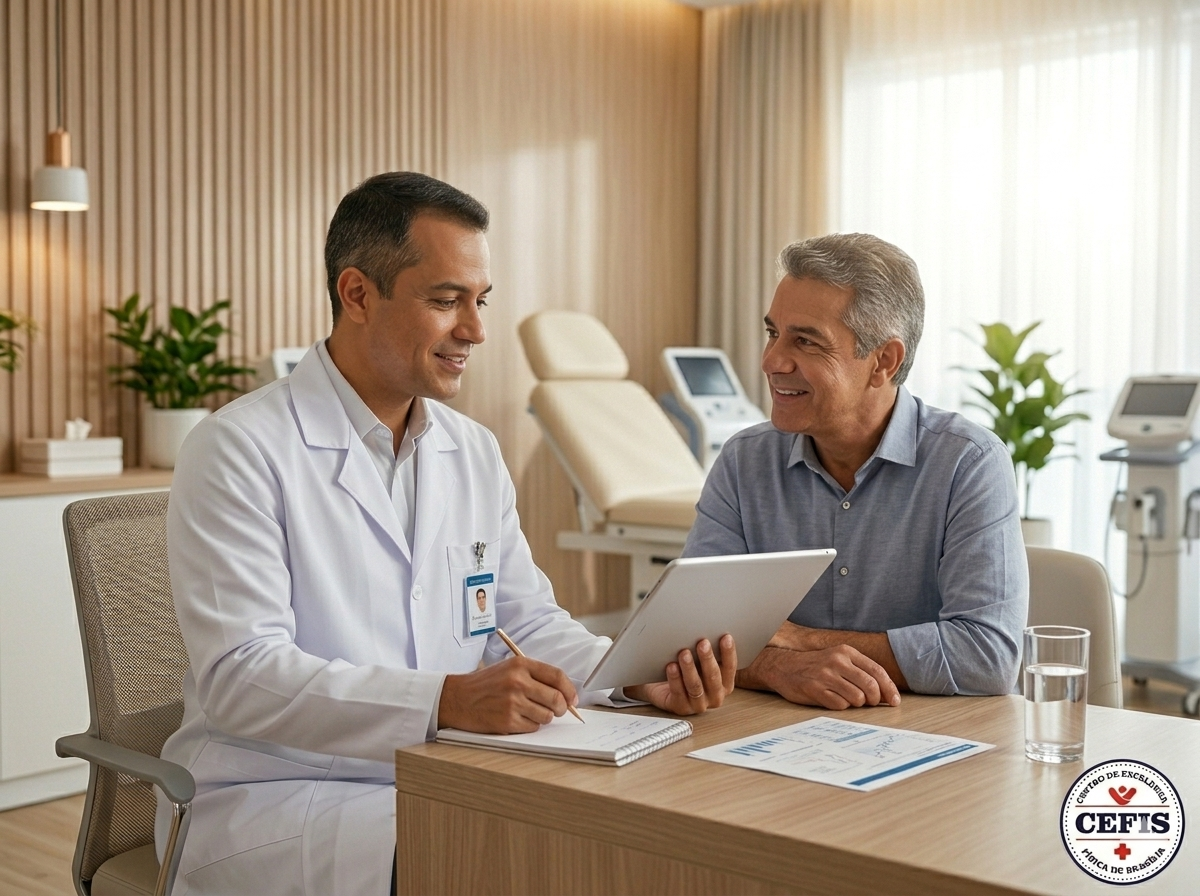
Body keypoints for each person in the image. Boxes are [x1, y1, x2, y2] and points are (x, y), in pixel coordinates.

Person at [157, 172, 736, 896]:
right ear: (358, 293)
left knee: (634, 835)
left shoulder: (472, 450)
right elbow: (242, 678)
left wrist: (633, 679)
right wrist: (445, 701)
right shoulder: (238, 447)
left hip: (447, 769)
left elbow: (524, 624)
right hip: (282, 797)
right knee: (521, 860)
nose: (476, 330)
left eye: (479, 301)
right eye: (445, 300)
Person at [682, 233, 1027, 711]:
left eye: (805, 341)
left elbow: (985, 656)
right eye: (772, 333)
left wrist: (802, 641)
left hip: (931, 745)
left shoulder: (968, 463)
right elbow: (692, 637)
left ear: (883, 361)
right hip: (772, 736)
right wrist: (781, 667)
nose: (771, 361)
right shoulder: (744, 461)